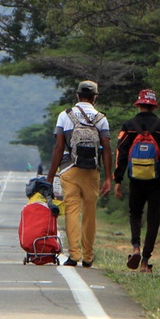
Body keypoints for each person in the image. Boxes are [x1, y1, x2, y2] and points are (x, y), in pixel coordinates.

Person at [45, 80, 113, 268]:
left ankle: (74, 255)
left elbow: (59, 147)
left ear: (77, 96)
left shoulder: (65, 116)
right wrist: (109, 177)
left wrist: (50, 176)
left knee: (72, 211)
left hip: (69, 169)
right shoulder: (101, 119)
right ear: (95, 97)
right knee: (90, 213)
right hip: (91, 171)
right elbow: (107, 149)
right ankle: (88, 256)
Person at [114, 89, 160, 273]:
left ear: (139, 104)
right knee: (153, 219)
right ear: (154, 105)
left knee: (135, 213)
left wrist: (117, 179)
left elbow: (121, 153)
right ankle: (144, 261)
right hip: (157, 181)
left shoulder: (129, 125)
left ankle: (135, 246)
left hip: (136, 179)